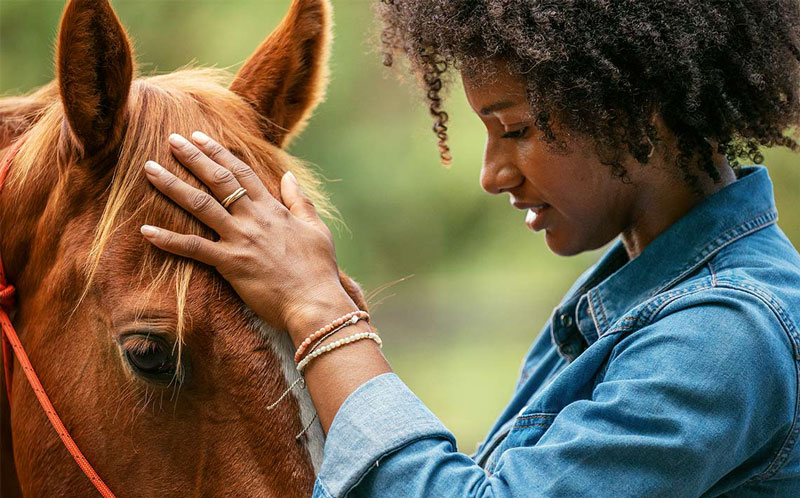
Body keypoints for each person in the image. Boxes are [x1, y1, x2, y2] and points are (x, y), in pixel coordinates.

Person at [139, 1, 800, 496]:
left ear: (632, 108)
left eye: (513, 129)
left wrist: (323, 318)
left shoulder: (722, 335)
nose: (492, 174)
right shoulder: (635, 301)